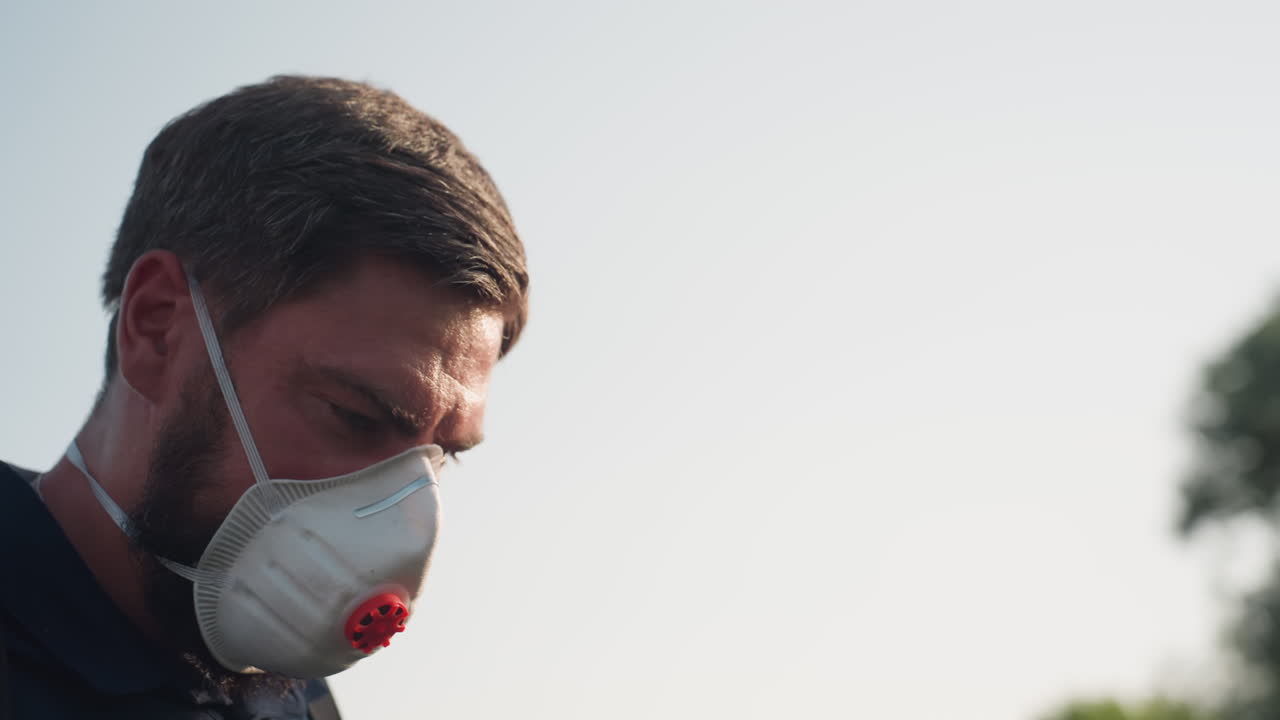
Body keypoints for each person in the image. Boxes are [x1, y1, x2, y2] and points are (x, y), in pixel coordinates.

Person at [0, 75, 529, 719]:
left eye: (439, 457)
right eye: (355, 416)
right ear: (158, 325)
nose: (397, 529)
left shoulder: (294, 701)